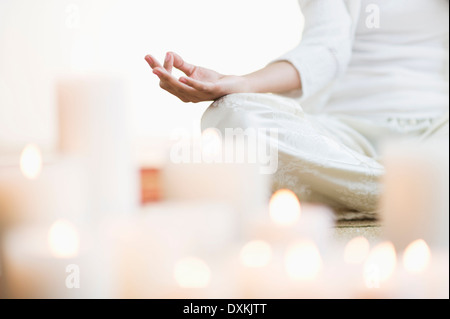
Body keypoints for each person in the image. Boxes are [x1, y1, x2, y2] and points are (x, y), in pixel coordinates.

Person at [145, 0, 449, 219]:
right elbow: (325, 48)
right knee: (231, 115)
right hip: (340, 133)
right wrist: (239, 82)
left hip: (438, 128)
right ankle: (419, 190)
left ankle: (367, 191)